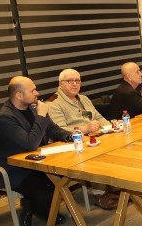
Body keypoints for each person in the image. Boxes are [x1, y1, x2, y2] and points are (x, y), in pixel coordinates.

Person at [0, 76, 71, 226]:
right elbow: (31, 143)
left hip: (40, 162)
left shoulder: (32, 107)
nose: (37, 93)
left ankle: (32, 203)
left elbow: (53, 129)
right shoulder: (4, 117)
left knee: (68, 180)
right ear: (19, 95)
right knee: (48, 193)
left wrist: (70, 136)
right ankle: (32, 205)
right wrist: (41, 115)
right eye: (33, 90)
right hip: (18, 169)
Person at [48, 69, 118, 210]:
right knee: (97, 155)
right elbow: (59, 131)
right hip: (69, 144)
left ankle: (115, 186)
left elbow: (97, 117)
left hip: (91, 138)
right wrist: (85, 129)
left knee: (117, 144)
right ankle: (100, 194)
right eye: (70, 81)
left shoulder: (83, 99)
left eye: (77, 81)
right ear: (61, 84)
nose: (74, 84)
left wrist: (112, 127)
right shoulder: (53, 103)